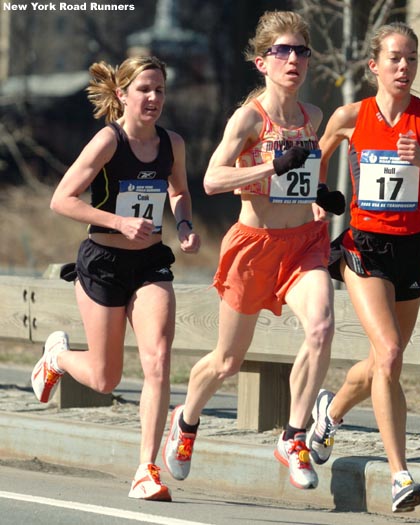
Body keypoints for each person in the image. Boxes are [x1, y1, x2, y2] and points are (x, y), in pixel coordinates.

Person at [162, 10, 345, 491]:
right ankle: (186, 420)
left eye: (300, 51)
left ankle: (293, 435)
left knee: (323, 327)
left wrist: (320, 198)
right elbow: (212, 179)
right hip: (253, 246)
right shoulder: (248, 118)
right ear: (262, 62)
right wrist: (268, 169)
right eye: (281, 51)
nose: (293, 60)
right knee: (227, 361)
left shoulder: (314, 117)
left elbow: (304, 175)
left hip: (303, 243)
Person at [306, 22, 420, 512]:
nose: (404, 68)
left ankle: (330, 412)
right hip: (365, 247)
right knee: (389, 351)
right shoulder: (349, 115)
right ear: (374, 65)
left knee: (388, 358)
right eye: (395, 59)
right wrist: (318, 199)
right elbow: (313, 161)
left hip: (414, 249)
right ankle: (400, 475)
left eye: (412, 59)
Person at [31, 56, 201, 501]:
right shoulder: (109, 140)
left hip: (149, 264)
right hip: (103, 261)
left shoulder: (172, 144)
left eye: (160, 90)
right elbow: (62, 200)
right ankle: (59, 358)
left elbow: (179, 191)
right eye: (144, 89)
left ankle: (146, 469)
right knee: (106, 379)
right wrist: (118, 222)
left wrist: (183, 224)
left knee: (159, 359)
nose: (153, 99)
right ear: (123, 95)